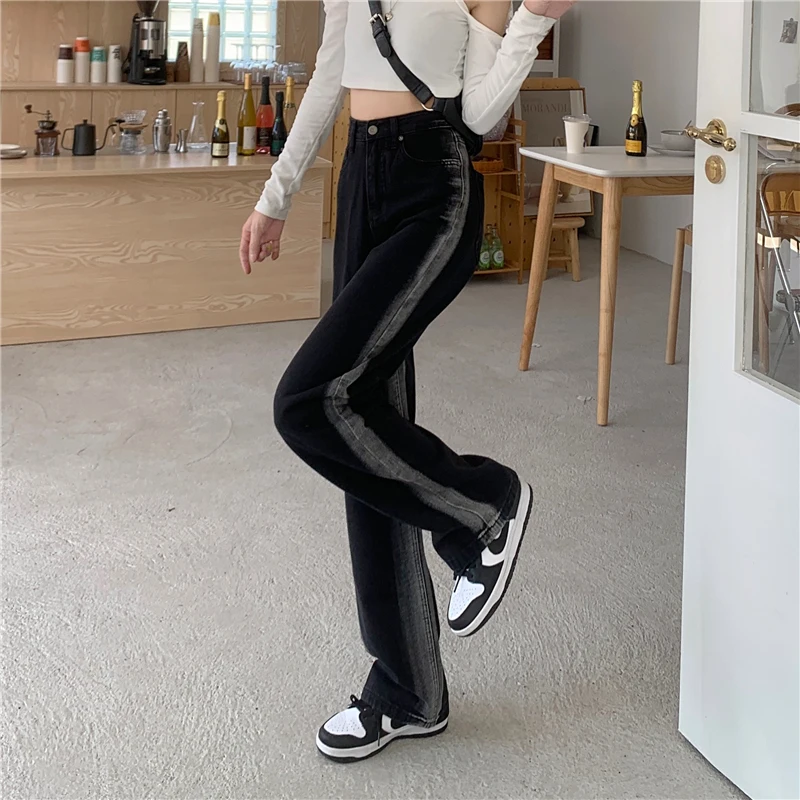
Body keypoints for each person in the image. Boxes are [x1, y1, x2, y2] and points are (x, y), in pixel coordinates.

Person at [239, 0, 576, 762]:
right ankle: (409, 689)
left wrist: (530, 20)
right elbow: (329, 76)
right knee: (362, 431)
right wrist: (275, 197)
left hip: (433, 185)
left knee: (309, 401)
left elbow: (481, 115)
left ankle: (483, 509)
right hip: (361, 178)